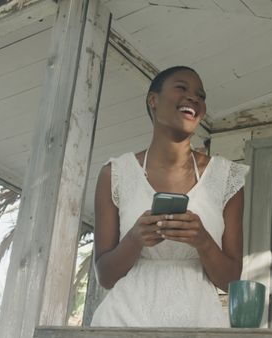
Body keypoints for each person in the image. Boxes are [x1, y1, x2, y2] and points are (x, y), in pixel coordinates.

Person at [90, 66, 249, 327]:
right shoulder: (114, 174)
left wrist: (204, 241)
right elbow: (105, 277)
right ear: (153, 100)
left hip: (199, 325)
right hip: (123, 323)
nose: (194, 98)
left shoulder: (227, 177)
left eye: (200, 95)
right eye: (182, 88)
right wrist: (134, 239)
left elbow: (231, 280)